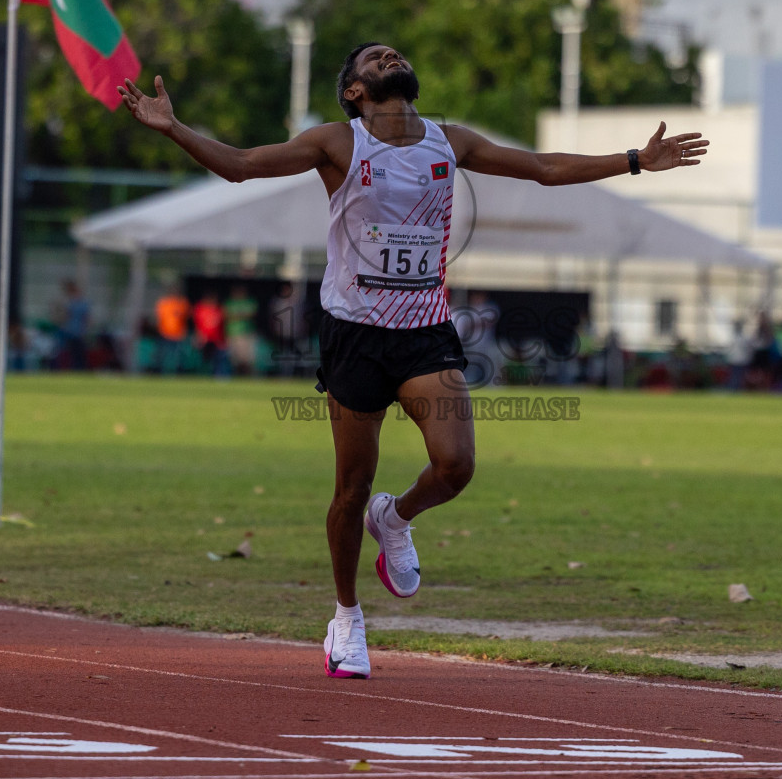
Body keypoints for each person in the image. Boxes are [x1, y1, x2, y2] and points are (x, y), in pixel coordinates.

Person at [119, 42, 709, 679]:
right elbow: (239, 165)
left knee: (456, 465)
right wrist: (174, 129)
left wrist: (634, 161)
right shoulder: (336, 144)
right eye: (374, 57)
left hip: (424, 330)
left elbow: (541, 166)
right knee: (350, 487)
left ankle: (395, 519)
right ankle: (346, 618)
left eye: (391, 52)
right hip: (354, 333)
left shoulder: (448, 141)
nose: (388, 55)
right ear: (355, 91)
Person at [154, 283, 191, 375]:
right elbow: (159, 318)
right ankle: (159, 372)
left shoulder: (182, 303)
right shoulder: (163, 303)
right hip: (165, 334)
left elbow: (187, 316)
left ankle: (180, 373)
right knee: (162, 355)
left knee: (179, 357)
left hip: (179, 335)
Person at [224, 284, 259, 376]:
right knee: (235, 359)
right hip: (233, 333)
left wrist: (237, 315)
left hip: (246, 334)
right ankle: (236, 376)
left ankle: (249, 377)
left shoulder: (249, 302)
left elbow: (252, 314)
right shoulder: (230, 303)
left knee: (247, 359)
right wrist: (241, 315)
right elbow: (226, 315)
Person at [192, 291, 229, 376]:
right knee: (203, 358)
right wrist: (198, 336)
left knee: (219, 358)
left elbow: (223, 325)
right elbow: (197, 324)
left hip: (217, 339)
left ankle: (219, 375)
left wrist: (224, 338)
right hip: (204, 339)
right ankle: (201, 374)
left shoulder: (219, 309)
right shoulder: (200, 309)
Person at [55, 279, 90, 370]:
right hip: (70, 330)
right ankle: (67, 368)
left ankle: (76, 368)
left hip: (75, 331)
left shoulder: (76, 303)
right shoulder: (71, 302)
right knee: (67, 353)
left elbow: (85, 318)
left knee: (75, 353)